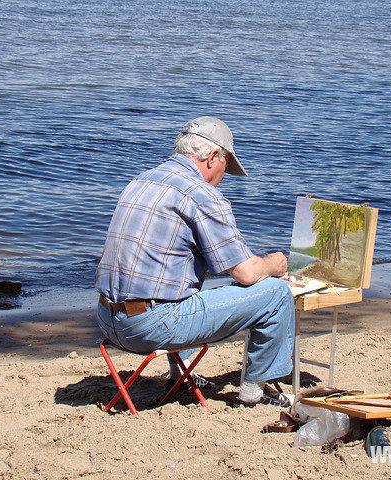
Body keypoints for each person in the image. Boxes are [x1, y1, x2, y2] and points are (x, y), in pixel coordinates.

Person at [95, 116, 295, 406]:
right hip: (148, 329)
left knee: (180, 279)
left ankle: (180, 373)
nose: (223, 177)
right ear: (213, 158)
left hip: (106, 320)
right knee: (276, 295)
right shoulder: (200, 193)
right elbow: (247, 273)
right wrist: (275, 264)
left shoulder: (142, 180)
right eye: (226, 166)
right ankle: (254, 392)